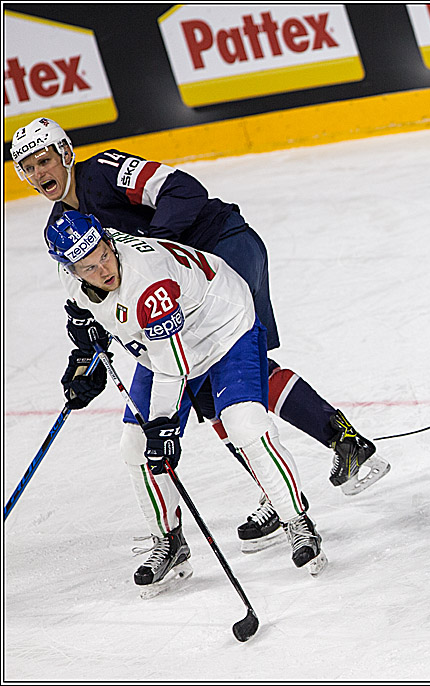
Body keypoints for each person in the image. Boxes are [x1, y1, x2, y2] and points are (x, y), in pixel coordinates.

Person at [11, 117, 388, 551]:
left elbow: (184, 190)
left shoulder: (104, 172)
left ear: (65, 153)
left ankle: (330, 449)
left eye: (44, 161)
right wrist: (87, 357)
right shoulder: (64, 224)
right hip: (186, 281)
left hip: (221, 248)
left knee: (231, 366)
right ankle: (326, 452)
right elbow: (103, 298)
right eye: (28, 168)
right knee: (213, 386)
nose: (39, 173)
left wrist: (155, 250)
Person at [48, 209, 328, 595]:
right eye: (89, 268)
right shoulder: (70, 273)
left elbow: (174, 367)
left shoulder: (147, 282)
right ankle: (169, 541)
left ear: (109, 243)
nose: (104, 270)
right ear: (72, 270)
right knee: (134, 446)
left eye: (105, 257)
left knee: (244, 422)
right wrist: (86, 360)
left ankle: (296, 521)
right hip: (162, 342)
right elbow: (87, 314)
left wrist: (164, 425)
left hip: (222, 326)